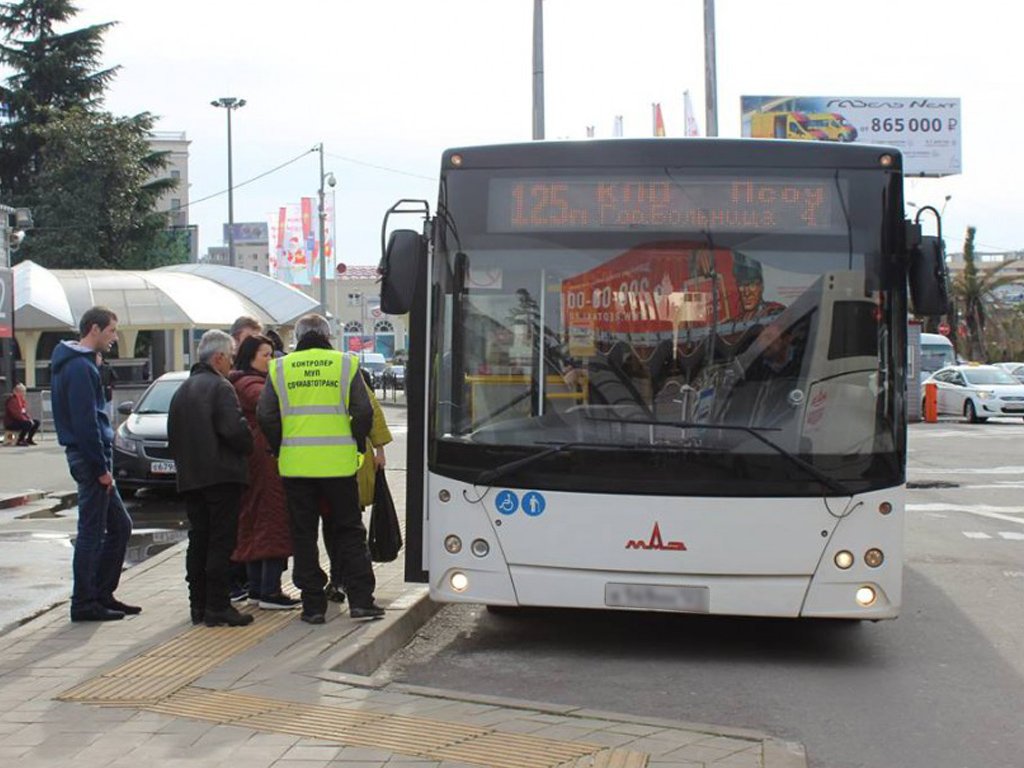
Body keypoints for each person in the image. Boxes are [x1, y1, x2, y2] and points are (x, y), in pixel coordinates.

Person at [257, 313, 383, 624]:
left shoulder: (279, 367)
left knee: (303, 535)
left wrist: (279, 445)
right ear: (327, 335)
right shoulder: (345, 364)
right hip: (339, 465)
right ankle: (361, 602)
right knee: (350, 532)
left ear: (298, 337)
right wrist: (355, 444)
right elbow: (363, 411)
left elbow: (266, 414)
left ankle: (313, 607)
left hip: (295, 466)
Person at [50, 306, 137, 622]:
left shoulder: (79, 365)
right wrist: (101, 469)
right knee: (91, 532)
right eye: (112, 331)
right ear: (95, 330)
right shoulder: (78, 369)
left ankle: (101, 594)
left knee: (119, 526)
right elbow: (85, 423)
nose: (115, 337)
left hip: (91, 457)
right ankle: (85, 602)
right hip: (91, 460)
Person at [168, 329, 254, 627]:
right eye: (230, 358)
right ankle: (218, 606)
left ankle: (199, 605)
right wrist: (249, 443)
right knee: (221, 541)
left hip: (192, 478)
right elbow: (234, 430)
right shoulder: (220, 387)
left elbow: (173, 437)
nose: (231, 364)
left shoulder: (183, 389)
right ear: (218, 358)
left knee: (199, 539)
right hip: (222, 476)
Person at [229, 334, 298, 610]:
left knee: (257, 521)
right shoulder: (251, 384)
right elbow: (270, 405)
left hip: (256, 458)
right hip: (265, 459)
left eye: (272, 354)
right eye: (265, 355)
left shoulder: (242, 381)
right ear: (250, 357)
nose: (271, 360)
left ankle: (258, 588)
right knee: (272, 520)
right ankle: (269, 590)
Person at [325, 368, 392, 604]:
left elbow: (370, 410)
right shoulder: (346, 370)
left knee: (336, 524)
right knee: (348, 524)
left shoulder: (342, 371)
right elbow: (370, 409)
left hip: (333, 462)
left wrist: (380, 448)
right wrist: (380, 448)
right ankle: (345, 581)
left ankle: (338, 579)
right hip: (351, 458)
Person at [98, 352, 118, 421]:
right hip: (96, 391)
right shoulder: (92, 367)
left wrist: (110, 385)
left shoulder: (107, 368)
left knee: (108, 409)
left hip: (106, 391)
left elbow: (114, 378)